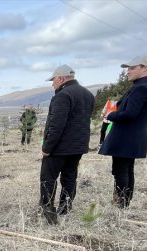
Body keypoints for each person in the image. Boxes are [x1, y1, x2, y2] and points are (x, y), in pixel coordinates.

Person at [99, 56, 147, 209]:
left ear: (144, 68)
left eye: (132, 68)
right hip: (131, 136)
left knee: (121, 170)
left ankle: (121, 203)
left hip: (126, 136)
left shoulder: (141, 88)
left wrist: (110, 115)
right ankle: (124, 202)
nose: (127, 72)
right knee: (127, 169)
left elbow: (130, 114)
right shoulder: (143, 86)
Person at [40, 64, 94, 224]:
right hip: (78, 147)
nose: (52, 84)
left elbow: (56, 126)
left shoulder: (62, 95)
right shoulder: (88, 94)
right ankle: (65, 208)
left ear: (61, 78)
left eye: (53, 80)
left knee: (47, 178)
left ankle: (48, 212)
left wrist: (47, 148)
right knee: (70, 178)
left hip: (59, 148)